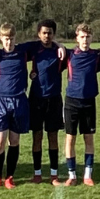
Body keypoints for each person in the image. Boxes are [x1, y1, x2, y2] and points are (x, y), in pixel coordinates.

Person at [0, 22, 35, 189]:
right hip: (1, 101)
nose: (9, 42)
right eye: (6, 39)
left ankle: (10, 177)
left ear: (16, 38)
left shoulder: (23, 51)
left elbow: (45, 42)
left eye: (12, 39)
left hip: (19, 101)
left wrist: (58, 45)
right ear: (0, 38)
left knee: (14, 140)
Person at [63, 23, 100, 186]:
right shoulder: (69, 54)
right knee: (70, 139)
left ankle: (88, 175)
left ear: (92, 38)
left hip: (89, 102)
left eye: (88, 37)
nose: (85, 40)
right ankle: (72, 175)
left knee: (88, 138)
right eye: (82, 36)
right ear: (77, 38)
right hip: (71, 101)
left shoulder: (97, 56)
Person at [28, 19, 67, 185]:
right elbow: (11, 49)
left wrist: (61, 46)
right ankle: (37, 173)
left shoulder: (60, 53)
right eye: (44, 33)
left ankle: (53, 174)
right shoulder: (33, 49)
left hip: (54, 99)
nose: (47, 36)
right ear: (38, 34)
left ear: (54, 34)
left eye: (50, 33)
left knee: (53, 136)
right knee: (37, 136)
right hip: (36, 99)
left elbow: (81, 52)